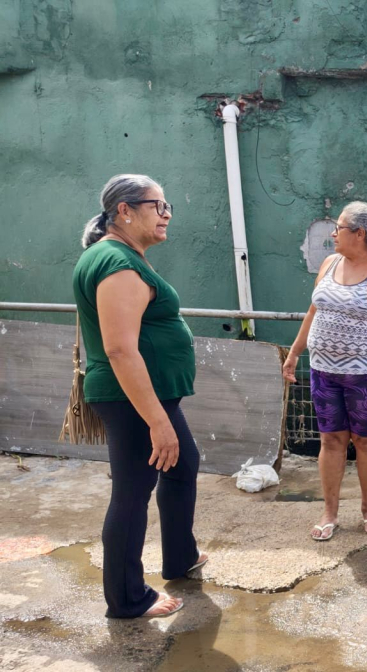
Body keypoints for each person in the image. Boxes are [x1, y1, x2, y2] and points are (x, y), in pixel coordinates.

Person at [73, 174, 207, 619]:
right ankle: (128, 599)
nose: (167, 214)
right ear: (124, 211)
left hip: (146, 396)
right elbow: (118, 349)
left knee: (183, 463)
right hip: (131, 399)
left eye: (169, 206)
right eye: (158, 205)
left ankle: (179, 556)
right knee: (132, 492)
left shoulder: (123, 256)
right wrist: (157, 420)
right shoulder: (117, 263)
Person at [282, 202, 367, 541]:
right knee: (331, 440)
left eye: (339, 228)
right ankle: (329, 511)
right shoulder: (330, 263)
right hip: (323, 370)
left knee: (366, 440)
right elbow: (313, 311)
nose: (333, 234)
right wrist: (294, 353)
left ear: (359, 234)